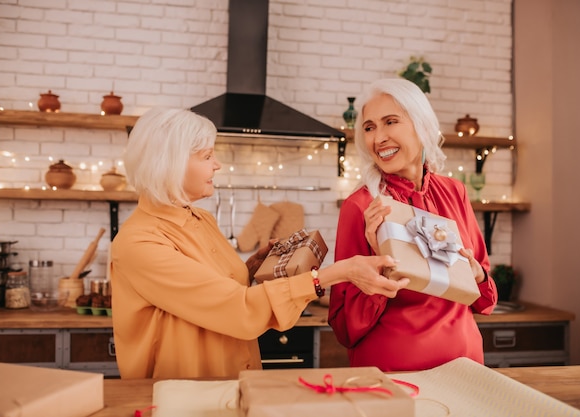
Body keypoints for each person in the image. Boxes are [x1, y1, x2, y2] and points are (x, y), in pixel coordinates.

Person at [110, 107, 409, 379]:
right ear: (169, 164)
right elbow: (237, 310)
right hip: (182, 397)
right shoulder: (139, 243)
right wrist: (337, 273)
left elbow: (214, 291)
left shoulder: (201, 219)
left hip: (231, 385)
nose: (217, 165)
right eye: (206, 156)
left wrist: (250, 268)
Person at [328, 78, 498, 372]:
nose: (378, 137)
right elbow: (345, 326)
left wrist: (477, 275)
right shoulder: (360, 207)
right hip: (394, 375)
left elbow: (485, 299)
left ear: (422, 125)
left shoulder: (454, 191)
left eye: (390, 122)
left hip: (466, 368)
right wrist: (378, 255)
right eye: (369, 127)